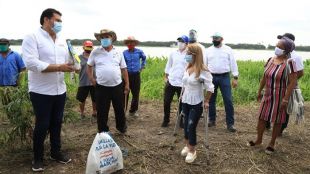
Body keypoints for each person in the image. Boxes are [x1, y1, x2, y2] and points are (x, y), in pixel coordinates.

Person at [22, 8, 74, 172]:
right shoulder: (32, 37)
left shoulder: (61, 40)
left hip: (60, 89)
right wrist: (59, 67)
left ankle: (55, 152)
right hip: (41, 91)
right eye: (57, 20)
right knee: (42, 124)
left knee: (57, 122)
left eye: (60, 21)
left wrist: (75, 65)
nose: (59, 24)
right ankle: (38, 158)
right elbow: (31, 63)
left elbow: (68, 61)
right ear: (46, 19)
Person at [248, 37, 297, 154]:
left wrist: (286, 99)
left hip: (281, 96)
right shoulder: (270, 60)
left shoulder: (290, 63)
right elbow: (264, 77)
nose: (277, 48)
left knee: (278, 120)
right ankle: (259, 140)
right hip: (268, 94)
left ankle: (272, 143)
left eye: (280, 47)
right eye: (277, 46)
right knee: (261, 117)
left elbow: (292, 82)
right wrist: (259, 91)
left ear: (286, 50)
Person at [87, 29, 129, 134]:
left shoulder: (118, 52)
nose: (105, 39)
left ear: (111, 38)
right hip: (101, 87)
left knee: (119, 108)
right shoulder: (95, 52)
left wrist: (127, 83)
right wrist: (92, 79)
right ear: (100, 39)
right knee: (102, 110)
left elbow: (123, 69)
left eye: (107, 37)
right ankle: (103, 130)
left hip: (117, 86)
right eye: (102, 37)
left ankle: (121, 127)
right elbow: (89, 66)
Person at [180, 43, 214, 163]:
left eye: (188, 53)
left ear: (195, 54)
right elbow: (184, 83)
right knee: (185, 125)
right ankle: (187, 144)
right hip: (185, 100)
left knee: (191, 125)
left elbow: (210, 87)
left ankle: (192, 151)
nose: (186, 54)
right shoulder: (187, 67)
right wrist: (182, 95)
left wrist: (207, 100)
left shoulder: (203, 70)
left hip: (196, 102)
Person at [265, 33, 304, 135]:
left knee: (284, 107)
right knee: (271, 103)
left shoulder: (296, 57)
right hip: (275, 85)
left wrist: (289, 83)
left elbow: (300, 73)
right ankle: (267, 123)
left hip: (287, 87)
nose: (279, 43)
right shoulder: (278, 54)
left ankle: (280, 129)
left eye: (283, 40)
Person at [205, 32, 239, 132]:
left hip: (225, 77)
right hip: (211, 77)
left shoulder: (228, 50)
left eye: (216, 38)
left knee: (228, 100)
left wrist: (235, 77)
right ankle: (212, 119)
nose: (214, 40)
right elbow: (205, 65)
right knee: (211, 99)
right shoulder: (208, 50)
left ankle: (230, 124)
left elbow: (233, 63)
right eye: (213, 38)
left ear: (221, 39)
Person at [161, 35, 189, 127]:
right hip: (171, 81)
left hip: (182, 83)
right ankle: (166, 120)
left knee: (181, 103)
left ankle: (180, 121)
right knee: (166, 101)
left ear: (186, 43)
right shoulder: (173, 53)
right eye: (179, 41)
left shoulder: (189, 54)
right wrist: (166, 77)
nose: (180, 43)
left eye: (182, 42)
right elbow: (168, 66)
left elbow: (190, 67)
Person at [123, 36, 146, 116]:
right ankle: (123, 110)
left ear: (135, 43)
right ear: (126, 44)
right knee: (125, 93)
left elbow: (144, 58)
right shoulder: (124, 53)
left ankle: (133, 110)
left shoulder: (139, 52)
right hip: (127, 75)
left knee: (135, 94)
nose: (130, 44)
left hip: (136, 75)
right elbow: (122, 64)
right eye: (128, 42)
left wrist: (142, 66)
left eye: (131, 42)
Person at [76, 40, 97, 119]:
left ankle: (94, 112)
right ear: (83, 47)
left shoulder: (95, 56)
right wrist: (76, 70)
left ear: (92, 48)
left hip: (94, 81)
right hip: (83, 81)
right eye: (87, 46)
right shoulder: (78, 57)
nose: (88, 48)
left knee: (95, 98)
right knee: (81, 99)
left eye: (90, 47)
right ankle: (82, 113)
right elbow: (76, 70)